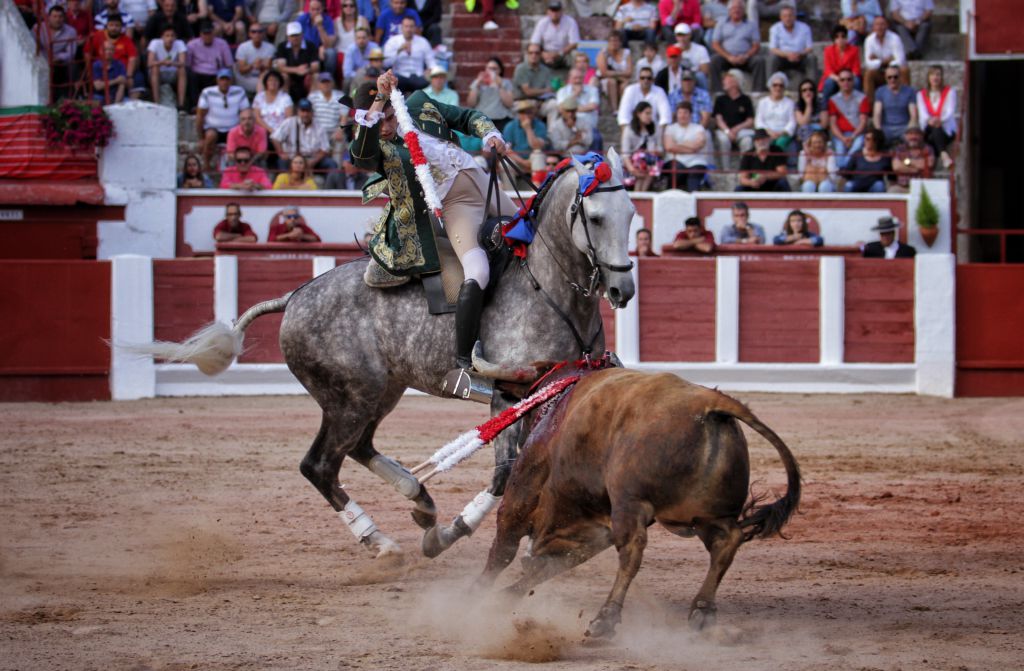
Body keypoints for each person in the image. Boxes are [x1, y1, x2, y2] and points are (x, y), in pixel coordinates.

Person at [348, 71, 517, 385]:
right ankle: (466, 364)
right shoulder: (378, 149)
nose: (386, 127)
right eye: (377, 121)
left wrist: (490, 134)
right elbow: (360, 156)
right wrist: (378, 103)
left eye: (388, 118)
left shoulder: (419, 103)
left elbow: (466, 116)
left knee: (530, 231)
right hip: (456, 207)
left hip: (483, 182)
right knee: (477, 270)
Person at [197, 69, 250, 171]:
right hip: (213, 128)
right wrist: (200, 138)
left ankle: (240, 167)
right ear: (217, 80)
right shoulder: (207, 92)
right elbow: (200, 116)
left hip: (233, 128)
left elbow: (245, 111)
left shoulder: (239, 91)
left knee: (242, 133)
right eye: (222, 79)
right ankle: (206, 164)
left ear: (231, 81)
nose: (224, 82)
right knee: (211, 136)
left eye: (227, 80)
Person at [272, 98, 338, 179]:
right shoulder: (289, 122)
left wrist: (313, 161)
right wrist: (282, 153)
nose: (305, 114)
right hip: (293, 159)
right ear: (298, 112)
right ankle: (287, 187)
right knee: (282, 161)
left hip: (312, 159)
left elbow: (325, 148)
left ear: (312, 112)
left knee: (331, 164)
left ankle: (330, 190)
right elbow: (275, 138)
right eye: (303, 111)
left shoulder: (319, 126)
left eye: (308, 111)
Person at [709, 0, 765, 94]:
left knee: (759, 61)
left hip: (745, 58)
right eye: (734, 8)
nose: (736, 11)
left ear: (744, 11)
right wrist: (728, 57)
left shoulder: (751, 25)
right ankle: (717, 92)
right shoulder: (721, 23)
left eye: (739, 8)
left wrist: (746, 56)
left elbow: (756, 45)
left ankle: (757, 92)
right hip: (727, 57)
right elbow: (715, 44)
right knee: (714, 60)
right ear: (729, 10)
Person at [87, 13, 143, 97]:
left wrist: (129, 75)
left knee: (138, 77)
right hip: (103, 69)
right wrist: (88, 69)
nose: (114, 28)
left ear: (121, 28)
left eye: (117, 26)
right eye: (111, 25)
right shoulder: (98, 36)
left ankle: (131, 104)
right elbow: (87, 52)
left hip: (122, 70)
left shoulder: (126, 39)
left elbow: (132, 58)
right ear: (107, 26)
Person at [827, 68, 870, 170]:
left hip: (857, 134)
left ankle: (844, 171)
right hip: (840, 135)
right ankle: (845, 170)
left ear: (853, 81)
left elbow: (863, 121)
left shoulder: (862, 98)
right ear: (838, 82)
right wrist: (842, 138)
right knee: (839, 154)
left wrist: (853, 137)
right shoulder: (833, 100)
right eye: (842, 80)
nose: (845, 82)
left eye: (848, 79)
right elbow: (833, 124)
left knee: (856, 147)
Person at [185, 20, 233, 109]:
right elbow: (187, 64)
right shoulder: (192, 45)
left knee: (225, 76)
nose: (207, 36)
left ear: (213, 33)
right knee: (190, 76)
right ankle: (194, 105)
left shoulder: (222, 44)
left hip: (215, 74)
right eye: (205, 33)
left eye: (209, 33)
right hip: (198, 74)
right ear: (200, 34)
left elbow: (229, 64)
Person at [712, 69, 754, 170]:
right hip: (724, 130)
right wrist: (727, 131)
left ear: (734, 81)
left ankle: (745, 169)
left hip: (740, 131)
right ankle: (726, 170)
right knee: (723, 140)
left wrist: (736, 129)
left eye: (726, 80)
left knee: (747, 141)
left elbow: (750, 120)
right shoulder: (720, 99)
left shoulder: (745, 99)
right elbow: (718, 119)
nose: (723, 82)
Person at [917, 64, 957, 169]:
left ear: (942, 77)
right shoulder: (921, 94)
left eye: (938, 75)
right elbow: (922, 113)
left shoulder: (950, 92)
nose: (935, 77)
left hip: (945, 129)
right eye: (932, 75)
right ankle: (944, 155)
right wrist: (930, 120)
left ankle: (932, 165)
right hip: (928, 127)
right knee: (933, 131)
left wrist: (940, 120)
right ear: (928, 77)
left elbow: (950, 112)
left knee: (934, 134)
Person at [662, 102, 708, 191]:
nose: (682, 116)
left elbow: (699, 144)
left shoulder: (698, 128)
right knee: (677, 171)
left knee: (695, 176)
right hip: (675, 160)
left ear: (690, 114)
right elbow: (669, 147)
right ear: (676, 114)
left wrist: (678, 144)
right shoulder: (670, 128)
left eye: (685, 113)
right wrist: (690, 146)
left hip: (696, 161)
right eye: (680, 113)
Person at [35, 6, 78, 100]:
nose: (57, 19)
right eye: (54, 16)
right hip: (41, 62)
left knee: (71, 67)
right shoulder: (38, 28)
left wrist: (58, 58)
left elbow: (71, 52)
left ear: (64, 18)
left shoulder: (71, 31)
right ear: (48, 17)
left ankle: (63, 100)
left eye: (60, 16)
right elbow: (32, 46)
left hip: (60, 65)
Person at [767, 6, 817, 85]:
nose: (788, 18)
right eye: (785, 16)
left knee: (811, 58)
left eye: (790, 15)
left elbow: (809, 48)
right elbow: (773, 48)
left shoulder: (805, 28)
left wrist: (799, 54)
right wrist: (788, 55)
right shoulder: (775, 28)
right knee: (772, 59)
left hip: (800, 57)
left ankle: (812, 87)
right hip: (783, 58)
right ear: (780, 17)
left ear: (795, 16)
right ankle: (770, 87)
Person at [383, 15, 434, 92]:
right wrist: (398, 51)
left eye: (411, 26)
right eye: (406, 26)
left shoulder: (423, 42)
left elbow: (431, 61)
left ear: (415, 28)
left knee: (427, 82)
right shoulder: (393, 41)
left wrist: (431, 70)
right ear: (401, 27)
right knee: (394, 82)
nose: (408, 29)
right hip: (400, 75)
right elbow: (386, 63)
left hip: (418, 76)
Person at [621, 101, 663, 192]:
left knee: (650, 160)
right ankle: (640, 193)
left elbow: (660, 148)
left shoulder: (655, 128)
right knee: (641, 157)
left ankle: (641, 193)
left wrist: (654, 151)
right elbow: (625, 153)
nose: (650, 116)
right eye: (647, 113)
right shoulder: (629, 129)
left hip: (650, 162)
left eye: (651, 113)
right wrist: (632, 169)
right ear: (638, 114)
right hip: (632, 164)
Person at [863, 16, 908, 100]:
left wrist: (878, 60)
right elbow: (868, 63)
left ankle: (906, 101)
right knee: (868, 74)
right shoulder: (869, 40)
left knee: (904, 70)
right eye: (877, 24)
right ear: (873, 27)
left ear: (887, 25)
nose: (879, 27)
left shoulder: (895, 38)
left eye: (882, 24)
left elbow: (900, 60)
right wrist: (885, 61)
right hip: (880, 72)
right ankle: (870, 106)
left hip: (895, 72)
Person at [275, 21, 321, 102]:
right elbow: (280, 67)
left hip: (306, 76)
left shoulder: (310, 46)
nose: (295, 38)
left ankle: (312, 102)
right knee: (284, 76)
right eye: (292, 35)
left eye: (297, 35)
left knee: (316, 76)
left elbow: (316, 66)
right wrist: (297, 70)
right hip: (290, 77)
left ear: (302, 34)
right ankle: (285, 102)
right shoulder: (282, 47)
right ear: (288, 36)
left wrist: (306, 70)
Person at [873, 65, 918, 145]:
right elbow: (877, 113)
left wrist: (910, 130)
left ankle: (907, 158)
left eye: (895, 77)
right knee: (875, 140)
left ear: (900, 77)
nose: (892, 80)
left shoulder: (909, 91)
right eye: (889, 77)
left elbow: (913, 115)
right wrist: (878, 130)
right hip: (886, 127)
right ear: (885, 78)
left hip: (904, 127)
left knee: (913, 142)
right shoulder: (880, 91)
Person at [755, 71, 796, 156]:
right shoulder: (763, 102)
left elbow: (792, 122)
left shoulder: (790, 103)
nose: (778, 88)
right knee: (763, 143)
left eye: (781, 85)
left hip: (783, 133)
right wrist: (769, 131)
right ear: (770, 87)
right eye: (775, 85)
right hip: (766, 132)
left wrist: (781, 133)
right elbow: (759, 120)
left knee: (780, 144)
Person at [503, 99, 549, 174]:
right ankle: (509, 186)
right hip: (517, 160)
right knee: (505, 162)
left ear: (533, 113)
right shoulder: (510, 126)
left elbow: (537, 146)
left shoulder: (540, 125)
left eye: (529, 112)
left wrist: (528, 129)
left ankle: (538, 184)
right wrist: (523, 162)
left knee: (538, 154)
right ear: (518, 114)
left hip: (533, 160)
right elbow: (507, 150)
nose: (526, 115)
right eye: (522, 112)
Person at [467, 57, 515, 130]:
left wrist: (500, 86)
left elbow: (509, 104)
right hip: (482, 120)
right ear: (486, 69)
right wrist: (477, 85)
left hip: (501, 120)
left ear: (500, 70)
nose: (491, 71)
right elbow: (471, 103)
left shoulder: (505, 82)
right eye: (489, 68)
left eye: (494, 69)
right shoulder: (478, 82)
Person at [530, 0, 579, 69]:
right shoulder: (542, 23)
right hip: (546, 52)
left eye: (557, 11)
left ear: (561, 11)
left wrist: (558, 54)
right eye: (552, 10)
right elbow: (534, 42)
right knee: (532, 54)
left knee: (575, 55)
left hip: (564, 53)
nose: (554, 13)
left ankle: (574, 76)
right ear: (548, 12)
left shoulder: (570, 22)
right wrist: (543, 54)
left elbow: (574, 43)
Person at [147, 25, 187, 109]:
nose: (170, 38)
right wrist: (162, 62)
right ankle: (156, 103)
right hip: (159, 73)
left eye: (172, 36)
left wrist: (172, 63)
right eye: (167, 36)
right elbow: (149, 63)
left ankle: (181, 105)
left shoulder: (180, 43)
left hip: (173, 73)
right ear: (162, 37)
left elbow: (183, 63)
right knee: (154, 68)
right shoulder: (155, 43)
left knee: (182, 70)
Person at [820, 23, 861, 100]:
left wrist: (846, 79)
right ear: (834, 39)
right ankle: (824, 108)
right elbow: (828, 70)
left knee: (856, 82)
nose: (840, 39)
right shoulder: (828, 50)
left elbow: (856, 69)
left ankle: (858, 106)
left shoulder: (854, 50)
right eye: (837, 37)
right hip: (835, 77)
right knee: (829, 83)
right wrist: (839, 79)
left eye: (843, 36)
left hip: (849, 76)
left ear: (846, 38)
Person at [556, 68, 600, 138]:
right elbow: (561, 108)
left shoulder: (592, 90)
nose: (578, 80)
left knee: (597, 138)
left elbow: (593, 106)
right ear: (569, 78)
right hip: (569, 124)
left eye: (580, 78)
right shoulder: (562, 91)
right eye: (575, 78)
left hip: (588, 124)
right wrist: (576, 93)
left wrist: (570, 109)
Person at [842, 128, 889, 193]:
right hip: (857, 185)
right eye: (866, 139)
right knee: (849, 185)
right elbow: (847, 173)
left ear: (877, 141)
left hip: (873, 186)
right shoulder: (857, 154)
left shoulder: (885, 157)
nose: (868, 141)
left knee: (879, 185)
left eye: (872, 139)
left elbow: (891, 175)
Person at [299, 0, 339, 76]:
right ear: (309, 9)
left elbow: (328, 44)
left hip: (320, 52)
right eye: (312, 9)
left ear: (323, 9)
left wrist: (320, 26)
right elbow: (295, 39)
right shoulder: (302, 19)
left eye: (318, 9)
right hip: (305, 50)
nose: (315, 12)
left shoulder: (328, 20)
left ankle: (329, 77)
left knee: (330, 52)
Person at [234, 23, 276, 95]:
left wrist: (261, 66)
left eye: (259, 32)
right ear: (249, 34)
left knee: (266, 76)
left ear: (263, 34)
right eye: (253, 32)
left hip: (264, 76)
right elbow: (241, 70)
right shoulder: (243, 47)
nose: (257, 34)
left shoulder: (270, 47)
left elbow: (269, 67)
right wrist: (253, 65)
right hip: (246, 77)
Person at [889, 126, 934, 192]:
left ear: (922, 136)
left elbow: (928, 164)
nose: (913, 137)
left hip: (922, 186)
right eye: (910, 134)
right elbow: (897, 167)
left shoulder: (927, 148)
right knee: (892, 191)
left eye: (916, 134)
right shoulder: (900, 149)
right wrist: (915, 170)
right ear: (905, 136)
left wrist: (907, 162)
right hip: (903, 186)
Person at [597, 32, 632, 112]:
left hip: (622, 79)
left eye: (616, 41)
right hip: (605, 79)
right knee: (611, 81)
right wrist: (620, 76)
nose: (614, 43)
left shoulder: (626, 53)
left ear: (620, 42)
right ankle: (614, 109)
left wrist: (614, 73)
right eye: (611, 41)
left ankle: (624, 109)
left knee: (625, 85)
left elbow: (629, 72)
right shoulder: (603, 53)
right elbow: (604, 72)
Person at [671, 22, 710, 91]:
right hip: (680, 75)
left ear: (690, 35)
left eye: (684, 35)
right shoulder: (673, 48)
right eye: (679, 36)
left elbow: (705, 70)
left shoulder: (701, 49)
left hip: (695, 75)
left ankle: (704, 98)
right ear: (676, 37)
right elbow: (671, 67)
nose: (682, 38)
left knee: (700, 76)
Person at [92, 40, 129, 105]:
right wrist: (116, 81)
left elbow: (122, 84)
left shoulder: (120, 64)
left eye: (111, 50)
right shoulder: (96, 65)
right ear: (100, 51)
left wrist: (116, 104)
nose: (108, 52)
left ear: (114, 51)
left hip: (116, 96)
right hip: (100, 96)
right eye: (106, 49)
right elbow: (98, 86)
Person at [794, 78, 826, 146]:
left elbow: (824, 123)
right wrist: (809, 105)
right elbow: (803, 123)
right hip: (804, 134)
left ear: (814, 91)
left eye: (810, 89)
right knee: (805, 128)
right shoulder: (798, 105)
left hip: (819, 132)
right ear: (801, 94)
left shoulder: (821, 102)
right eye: (804, 90)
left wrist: (812, 126)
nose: (808, 92)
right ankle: (807, 150)